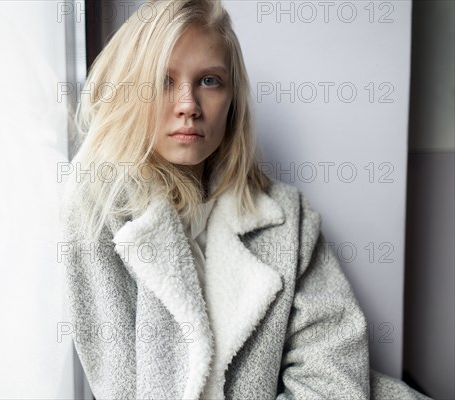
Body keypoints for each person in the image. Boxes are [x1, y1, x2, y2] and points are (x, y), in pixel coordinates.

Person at [60, 1, 432, 399]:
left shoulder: (286, 217)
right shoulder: (100, 214)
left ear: (232, 97)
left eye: (209, 81)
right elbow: (122, 387)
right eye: (164, 81)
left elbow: (333, 371)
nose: (188, 105)